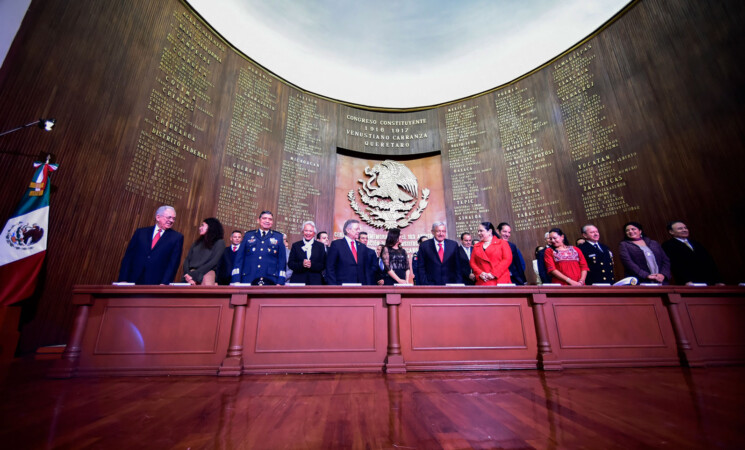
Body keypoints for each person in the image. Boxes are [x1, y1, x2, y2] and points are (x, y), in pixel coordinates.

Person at [118, 205, 184, 285]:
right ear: (158, 217)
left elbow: (173, 264)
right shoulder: (140, 233)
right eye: (169, 217)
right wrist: (123, 279)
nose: (171, 221)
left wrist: (164, 283)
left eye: (173, 218)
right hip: (133, 279)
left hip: (156, 282)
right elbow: (128, 257)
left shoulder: (177, 237)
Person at [231, 210, 287, 285]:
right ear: (258, 220)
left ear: (272, 222)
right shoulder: (248, 235)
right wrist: (236, 279)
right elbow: (239, 259)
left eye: (270, 219)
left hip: (270, 279)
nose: (267, 221)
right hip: (248, 278)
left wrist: (280, 281)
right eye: (264, 218)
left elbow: (282, 261)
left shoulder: (278, 237)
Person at [662, 220, 723, 285]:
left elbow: (710, 262)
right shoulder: (668, 245)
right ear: (671, 232)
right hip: (690, 282)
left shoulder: (696, 243)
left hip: (709, 280)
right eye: (680, 229)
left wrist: (718, 280)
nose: (684, 230)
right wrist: (686, 280)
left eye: (685, 228)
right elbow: (676, 265)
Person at [326, 219, 373, 285]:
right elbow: (330, 267)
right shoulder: (336, 245)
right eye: (356, 229)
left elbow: (366, 269)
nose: (359, 231)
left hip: (361, 287)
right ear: (348, 230)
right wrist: (333, 286)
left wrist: (368, 287)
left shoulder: (362, 247)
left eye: (359, 229)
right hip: (342, 286)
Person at [182, 218, 225, 286]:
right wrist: (187, 274)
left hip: (206, 274)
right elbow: (187, 259)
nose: (200, 228)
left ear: (211, 227)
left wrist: (195, 274)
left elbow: (213, 262)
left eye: (203, 225)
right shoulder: (197, 243)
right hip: (189, 275)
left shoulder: (219, 242)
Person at [287, 221, 327, 285]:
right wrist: (302, 264)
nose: (308, 233)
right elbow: (290, 264)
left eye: (310, 231)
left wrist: (312, 265)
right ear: (302, 232)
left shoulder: (320, 246)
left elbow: (323, 264)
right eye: (306, 230)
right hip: (298, 281)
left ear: (314, 233)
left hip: (315, 281)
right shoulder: (296, 245)